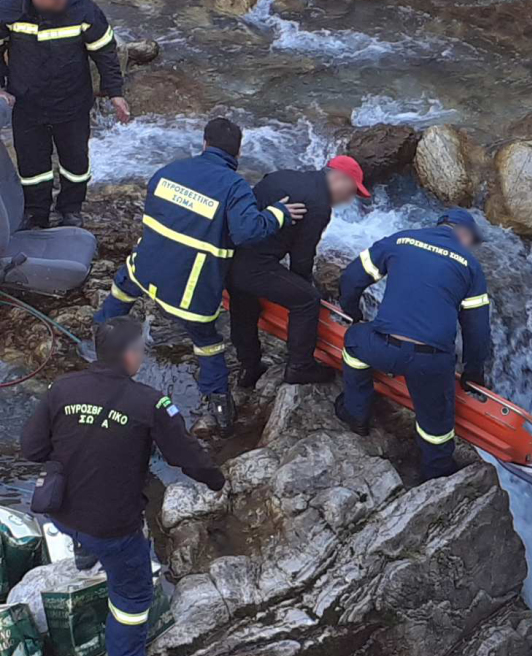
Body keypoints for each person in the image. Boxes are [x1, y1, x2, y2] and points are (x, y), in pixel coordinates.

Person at [20, 316, 225, 656]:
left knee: (86, 524)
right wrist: (216, 480)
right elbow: (185, 455)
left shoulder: (63, 388)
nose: (143, 356)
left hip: (60, 512)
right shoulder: (150, 403)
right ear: (129, 355)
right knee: (132, 597)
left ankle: (85, 555)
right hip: (112, 527)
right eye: (141, 350)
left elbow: (33, 449)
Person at [93, 118, 306, 434]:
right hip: (187, 289)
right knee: (207, 342)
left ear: (204, 143)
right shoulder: (234, 187)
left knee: (121, 291)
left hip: (145, 266)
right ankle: (219, 403)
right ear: (238, 153)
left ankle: (98, 341)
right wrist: (278, 214)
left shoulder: (168, 171)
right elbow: (248, 232)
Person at [334, 209, 492, 481]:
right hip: (429, 362)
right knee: (437, 422)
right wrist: (473, 372)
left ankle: (356, 413)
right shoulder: (469, 266)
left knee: (354, 343)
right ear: (463, 233)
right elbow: (477, 329)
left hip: (382, 347)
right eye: (472, 241)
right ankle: (436, 471)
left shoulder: (401, 240)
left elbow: (351, 277)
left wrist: (353, 314)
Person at [228, 155, 371, 389]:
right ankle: (300, 366)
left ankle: (249, 367)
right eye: (352, 191)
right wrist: (304, 287)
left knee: (244, 303)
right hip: (252, 267)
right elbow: (301, 259)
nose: (349, 199)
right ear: (338, 177)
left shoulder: (284, 175)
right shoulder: (319, 205)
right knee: (306, 300)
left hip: (229, 255)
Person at [0, 0, 130, 230]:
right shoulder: (10, 10)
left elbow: (105, 52)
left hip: (72, 103)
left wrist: (115, 93)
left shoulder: (84, 10)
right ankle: (35, 212)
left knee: (76, 162)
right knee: (32, 166)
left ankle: (70, 209)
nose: (63, 2)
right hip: (27, 104)